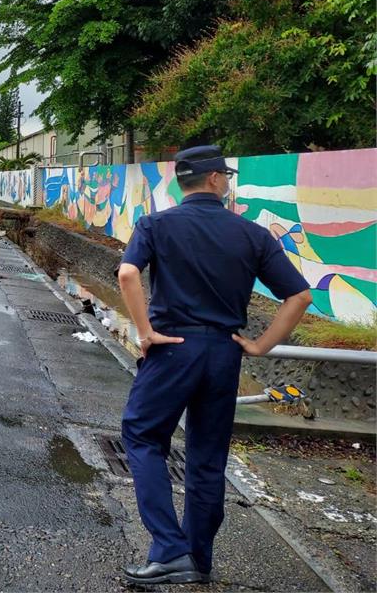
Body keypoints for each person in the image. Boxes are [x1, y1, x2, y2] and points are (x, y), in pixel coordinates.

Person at [117, 145, 312, 586]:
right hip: (224, 352)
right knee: (207, 456)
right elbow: (299, 296)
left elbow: (128, 275)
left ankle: (169, 549)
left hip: (171, 348)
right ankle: (198, 560)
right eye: (225, 175)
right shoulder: (251, 234)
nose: (227, 181)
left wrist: (145, 331)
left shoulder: (156, 224)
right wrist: (260, 346)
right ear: (213, 180)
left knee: (144, 436)